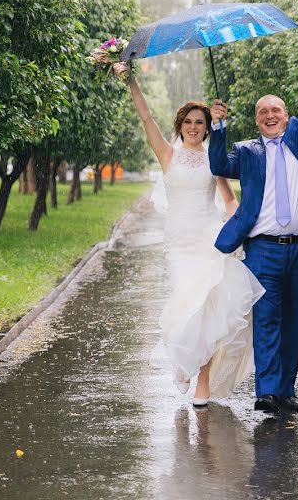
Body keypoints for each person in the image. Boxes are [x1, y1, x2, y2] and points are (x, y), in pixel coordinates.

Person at [208, 8, 298, 415]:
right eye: (262, 112)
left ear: (287, 116)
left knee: (293, 319)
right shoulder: (247, 153)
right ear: (256, 122)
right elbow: (218, 165)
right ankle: (267, 392)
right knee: (267, 319)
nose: (270, 116)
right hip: (264, 251)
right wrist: (217, 126)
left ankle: (286, 391)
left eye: (276, 110)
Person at [119, 69, 265, 406]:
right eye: (189, 122)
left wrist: (238, 232)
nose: (195, 127)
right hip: (179, 244)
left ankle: (202, 381)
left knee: (208, 308)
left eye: (201, 122)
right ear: (180, 125)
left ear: (208, 126)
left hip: (209, 239)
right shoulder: (167, 154)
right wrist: (131, 80)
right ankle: (182, 360)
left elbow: (229, 201)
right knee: (186, 305)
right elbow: (145, 115)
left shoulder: (216, 159)